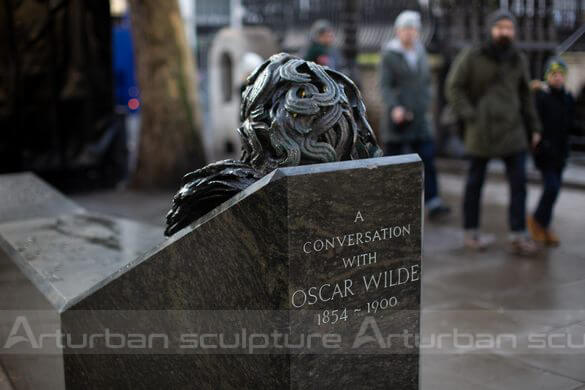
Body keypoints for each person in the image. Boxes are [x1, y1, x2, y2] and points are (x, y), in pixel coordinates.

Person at [446, 9, 542, 255]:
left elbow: (525, 96)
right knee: (474, 183)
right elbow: (453, 86)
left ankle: (519, 235)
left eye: (509, 28)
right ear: (491, 29)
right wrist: (470, 115)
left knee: (519, 184)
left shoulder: (517, 59)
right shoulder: (473, 55)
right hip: (482, 130)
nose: (505, 32)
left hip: (513, 130)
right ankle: (471, 232)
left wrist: (535, 127)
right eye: (500, 27)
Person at [379, 10, 451, 220]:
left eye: (413, 29)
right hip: (398, 119)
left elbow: (426, 82)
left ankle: (433, 201)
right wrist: (395, 107)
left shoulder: (420, 52)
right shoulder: (389, 55)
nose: (409, 33)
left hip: (420, 119)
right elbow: (385, 86)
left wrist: (427, 101)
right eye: (405, 29)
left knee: (428, 159)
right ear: (398, 31)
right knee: (395, 165)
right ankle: (391, 206)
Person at [527, 57, 577, 246]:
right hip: (546, 151)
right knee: (551, 187)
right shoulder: (541, 97)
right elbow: (534, 119)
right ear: (548, 76)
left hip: (561, 152)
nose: (557, 78)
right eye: (554, 75)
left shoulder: (568, 98)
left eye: (561, 75)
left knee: (554, 191)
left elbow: (571, 124)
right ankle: (537, 220)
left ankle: (544, 225)